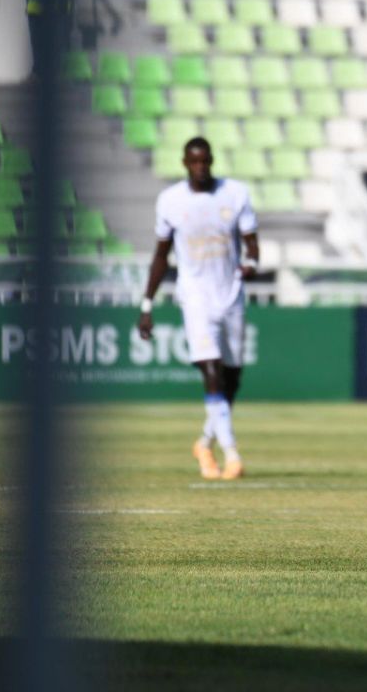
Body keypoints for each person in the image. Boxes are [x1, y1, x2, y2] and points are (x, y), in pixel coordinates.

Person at [138, 137, 259, 481]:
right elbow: (161, 255)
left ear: (212, 160)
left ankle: (205, 442)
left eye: (205, 161)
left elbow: (252, 244)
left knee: (232, 378)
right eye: (195, 162)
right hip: (195, 297)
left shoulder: (235, 193)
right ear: (184, 163)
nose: (201, 167)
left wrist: (251, 262)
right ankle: (231, 455)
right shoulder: (171, 201)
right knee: (210, 369)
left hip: (231, 294)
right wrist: (147, 304)